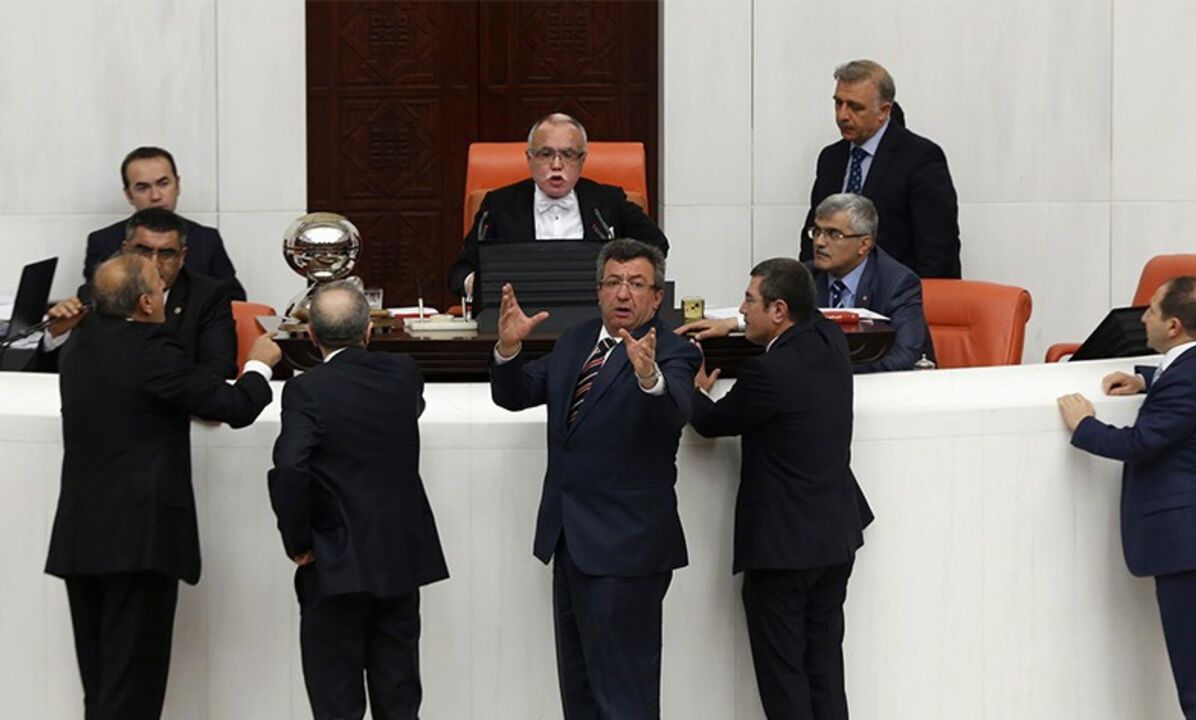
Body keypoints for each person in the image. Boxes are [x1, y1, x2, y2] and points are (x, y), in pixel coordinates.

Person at [44, 254, 280, 720]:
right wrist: (259, 365)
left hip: (81, 538)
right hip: (138, 542)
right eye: (158, 281)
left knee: (102, 689)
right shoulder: (153, 350)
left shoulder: (79, 346)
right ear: (148, 301)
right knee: (132, 694)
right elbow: (231, 405)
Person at [489, 238, 701, 719]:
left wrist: (648, 378)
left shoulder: (671, 352)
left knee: (624, 694)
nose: (623, 294)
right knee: (580, 690)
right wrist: (507, 348)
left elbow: (674, 414)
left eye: (636, 284)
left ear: (657, 297)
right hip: (570, 540)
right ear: (598, 290)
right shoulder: (576, 340)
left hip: (627, 548)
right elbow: (516, 394)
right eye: (613, 282)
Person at [689, 258, 873, 719]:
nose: (743, 310)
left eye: (749, 302)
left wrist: (694, 389)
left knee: (784, 677)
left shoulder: (767, 375)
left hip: (783, 551)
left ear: (778, 310)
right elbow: (812, 314)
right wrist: (732, 322)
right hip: (834, 539)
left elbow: (710, 423)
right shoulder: (829, 341)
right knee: (825, 667)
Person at [1057, 276, 1196, 720]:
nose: (1142, 318)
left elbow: (1139, 444)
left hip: (1186, 545)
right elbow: (1183, 385)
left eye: (1152, 311)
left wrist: (1085, 425)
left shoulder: (1187, 381)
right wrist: (1146, 380)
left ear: (1174, 325)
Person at [268, 281, 448, 720]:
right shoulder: (404, 373)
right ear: (369, 330)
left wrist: (298, 542)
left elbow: (291, 468)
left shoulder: (306, 390)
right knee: (400, 699)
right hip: (400, 557)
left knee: (337, 703)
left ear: (311, 337)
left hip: (333, 561)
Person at [680, 193, 934, 374]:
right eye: (817, 231)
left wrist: (834, 372)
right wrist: (734, 323)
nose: (820, 243)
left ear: (864, 244)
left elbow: (904, 356)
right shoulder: (806, 275)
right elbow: (776, 314)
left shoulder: (898, 282)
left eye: (834, 234)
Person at [448, 113, 669, 311]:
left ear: (582, 160)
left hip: (597, 322)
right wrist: (482, 288)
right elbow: (461, 271)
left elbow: (657, 245)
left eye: (568, 155)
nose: (556, 165)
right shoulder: (498, 205)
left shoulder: (608, 202)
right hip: (519, 324)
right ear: (529, 158)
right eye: (545, 154)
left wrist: (625, 281)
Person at [800, 60, 960, 279]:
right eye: (839, 103)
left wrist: (916, 304)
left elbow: (938, 248)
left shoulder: (920, 158)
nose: (842, 116)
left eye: (855, 107)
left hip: (893, 298)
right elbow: (813, 233)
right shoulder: (831, 158)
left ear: (884, 111)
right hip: (833, 297)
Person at [40, 207, 238, 378]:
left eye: (166, 253)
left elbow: (219, 371)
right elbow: (55, 373)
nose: (153, 263)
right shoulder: (97, 292)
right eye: (143, 250)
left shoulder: (209, 296)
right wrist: (58, 333)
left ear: (182, 257)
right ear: (126, 249)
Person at [84, 146, 245, 300]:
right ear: (129, 195)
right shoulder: (102, 241)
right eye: (143, 188)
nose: (155, 196)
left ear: (177, 185)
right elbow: (94, 305)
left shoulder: (206, 239)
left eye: (163, 184)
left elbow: (233, 300)